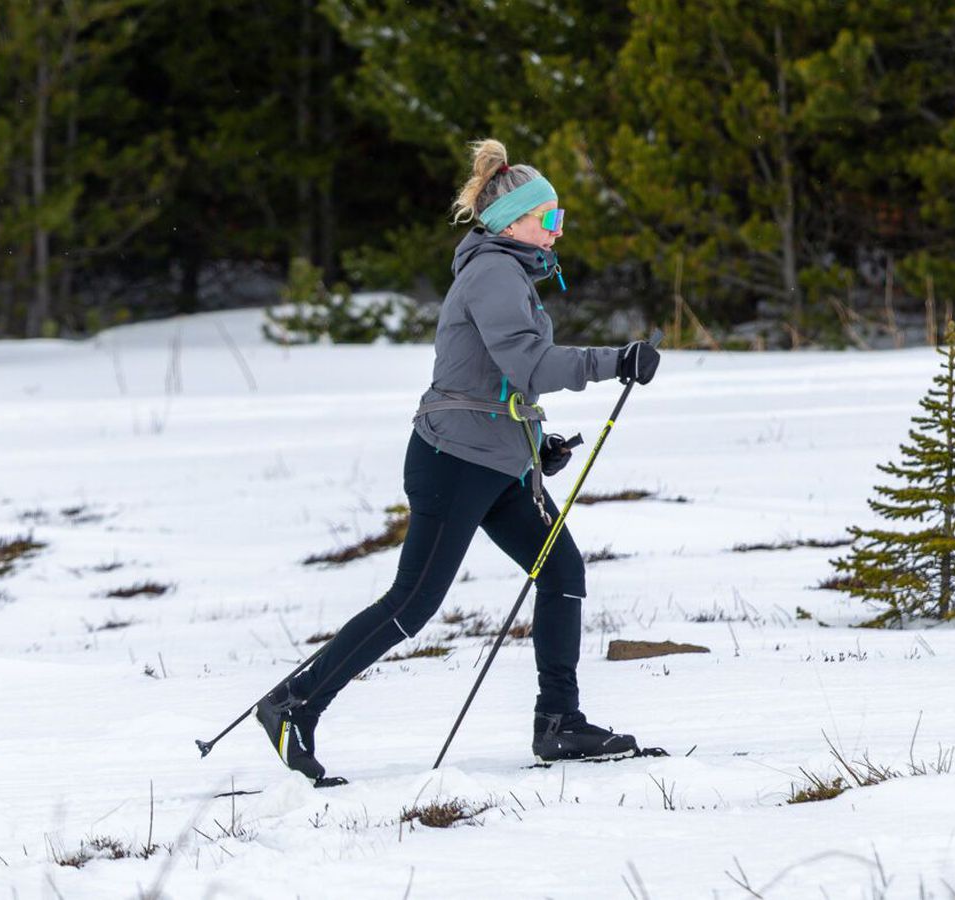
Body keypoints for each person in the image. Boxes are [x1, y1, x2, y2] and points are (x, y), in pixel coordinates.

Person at [255, 138, 662, 782]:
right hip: (454, 462)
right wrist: (615, 361)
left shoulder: (507, 272)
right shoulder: (493, 273)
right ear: (513, 222)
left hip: (495, 463)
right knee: (412, 604)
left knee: (561, 571)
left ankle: (559, 722)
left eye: (559, 218)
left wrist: (535, 445)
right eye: (549, 217)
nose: (558, 230)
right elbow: (529, 364)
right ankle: (294, 704)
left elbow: (497, 383)